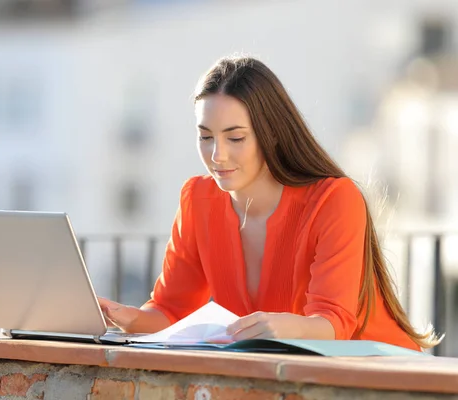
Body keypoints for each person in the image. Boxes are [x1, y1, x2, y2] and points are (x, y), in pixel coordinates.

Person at [98, 55, 440, 351]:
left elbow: (333, 323)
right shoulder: (197, 200)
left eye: (235, 137)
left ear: (271, 133)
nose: (217, 155)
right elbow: (172, 312)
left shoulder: (334, 199)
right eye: (205, 137)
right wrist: (124, 317)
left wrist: (285, 328)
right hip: (280, 373)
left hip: (378, 375)